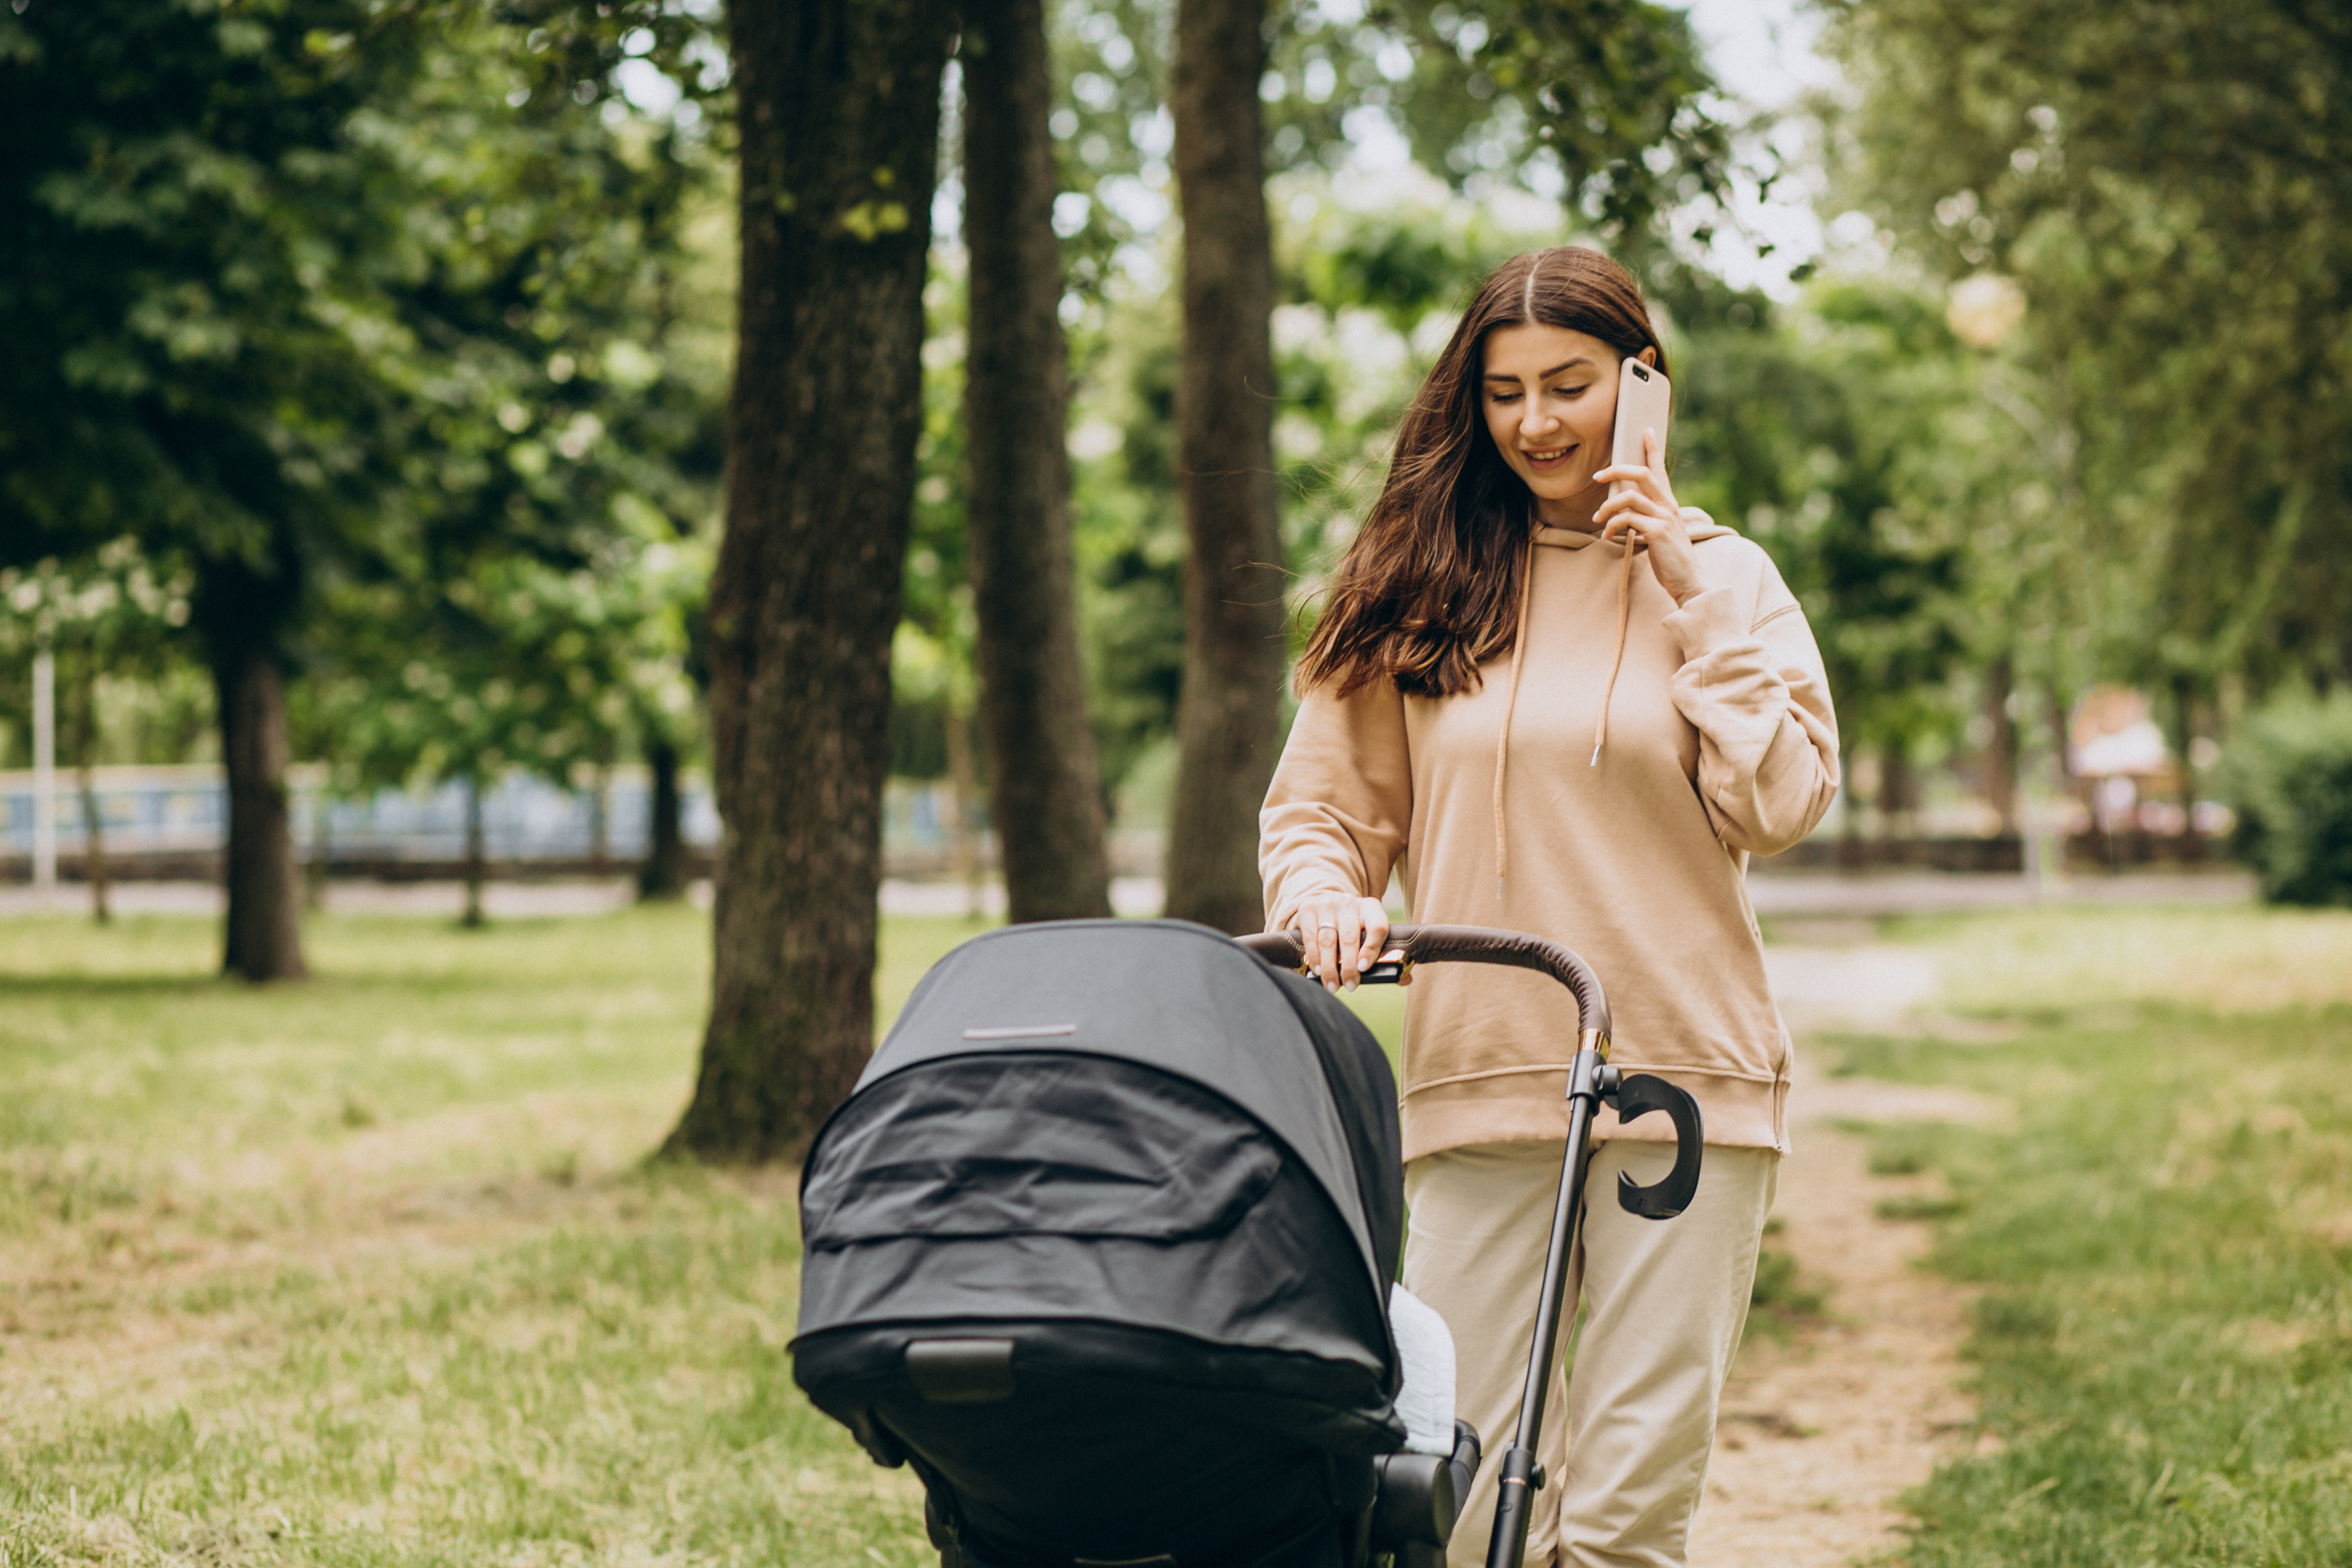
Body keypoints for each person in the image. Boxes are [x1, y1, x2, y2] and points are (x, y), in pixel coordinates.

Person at [1258, 245, 1840, 1568]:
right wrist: (1326, 896)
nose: (1534, 424)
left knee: (1630, 1515)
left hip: (1686, 1086)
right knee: (1443, 1497)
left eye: (1569, 386)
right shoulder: (1412, 585)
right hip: (1479, 1075)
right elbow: (1320, 814)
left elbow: (1784, 803)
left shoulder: (1729, 581)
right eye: (1505, 393)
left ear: (1643, 389)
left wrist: (1686, 588)